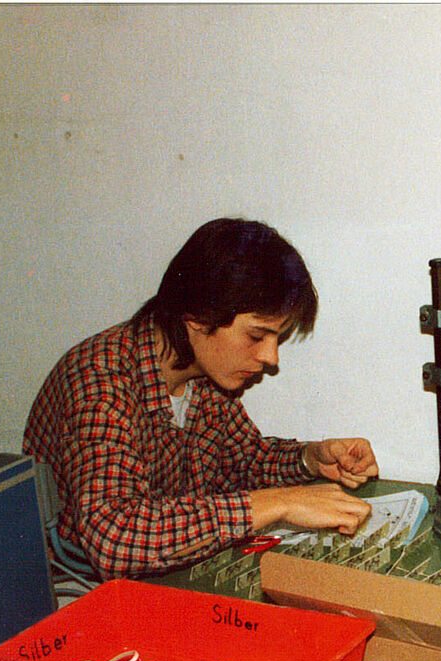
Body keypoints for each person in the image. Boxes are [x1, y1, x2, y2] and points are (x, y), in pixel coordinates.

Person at [25, 217, 378, 579]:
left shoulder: (206, 377)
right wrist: (281, 502)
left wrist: (311, 460)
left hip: (162, 578)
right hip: (74, 589)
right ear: (198, 316)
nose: (271, 357)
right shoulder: (99, 377)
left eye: (277, 338)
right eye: (257, 336)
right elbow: (114, 537)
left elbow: (244, 462)